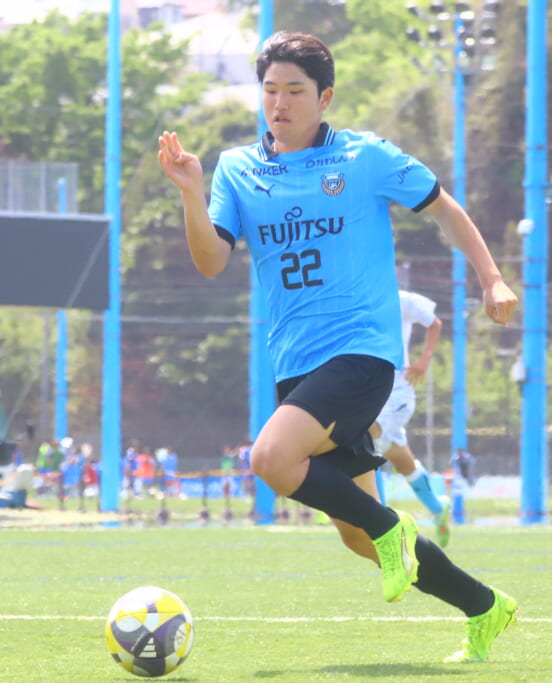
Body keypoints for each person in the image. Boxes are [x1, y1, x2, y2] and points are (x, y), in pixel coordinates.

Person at [157, 31, 519, 663]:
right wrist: (190, 190)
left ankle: (393, 531)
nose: (280, 103)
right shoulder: (236, 168)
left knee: (271, 458)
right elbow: (211, 260)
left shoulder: (364, 157)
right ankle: (485, 607)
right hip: (294, 364)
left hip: (361, 354)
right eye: (270, 90)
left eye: (295, 91)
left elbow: (443, 207)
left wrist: (491, 277)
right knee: (358, 535)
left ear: (324, 97)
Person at [370, 289, 450, 546]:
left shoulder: (401, 298)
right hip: (370, 392)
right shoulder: (358, 297)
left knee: (363, 439)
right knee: (402, 461)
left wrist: (424, 360)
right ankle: (438, 508)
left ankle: (381, 525)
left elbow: (434, 323)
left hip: (397, 391)